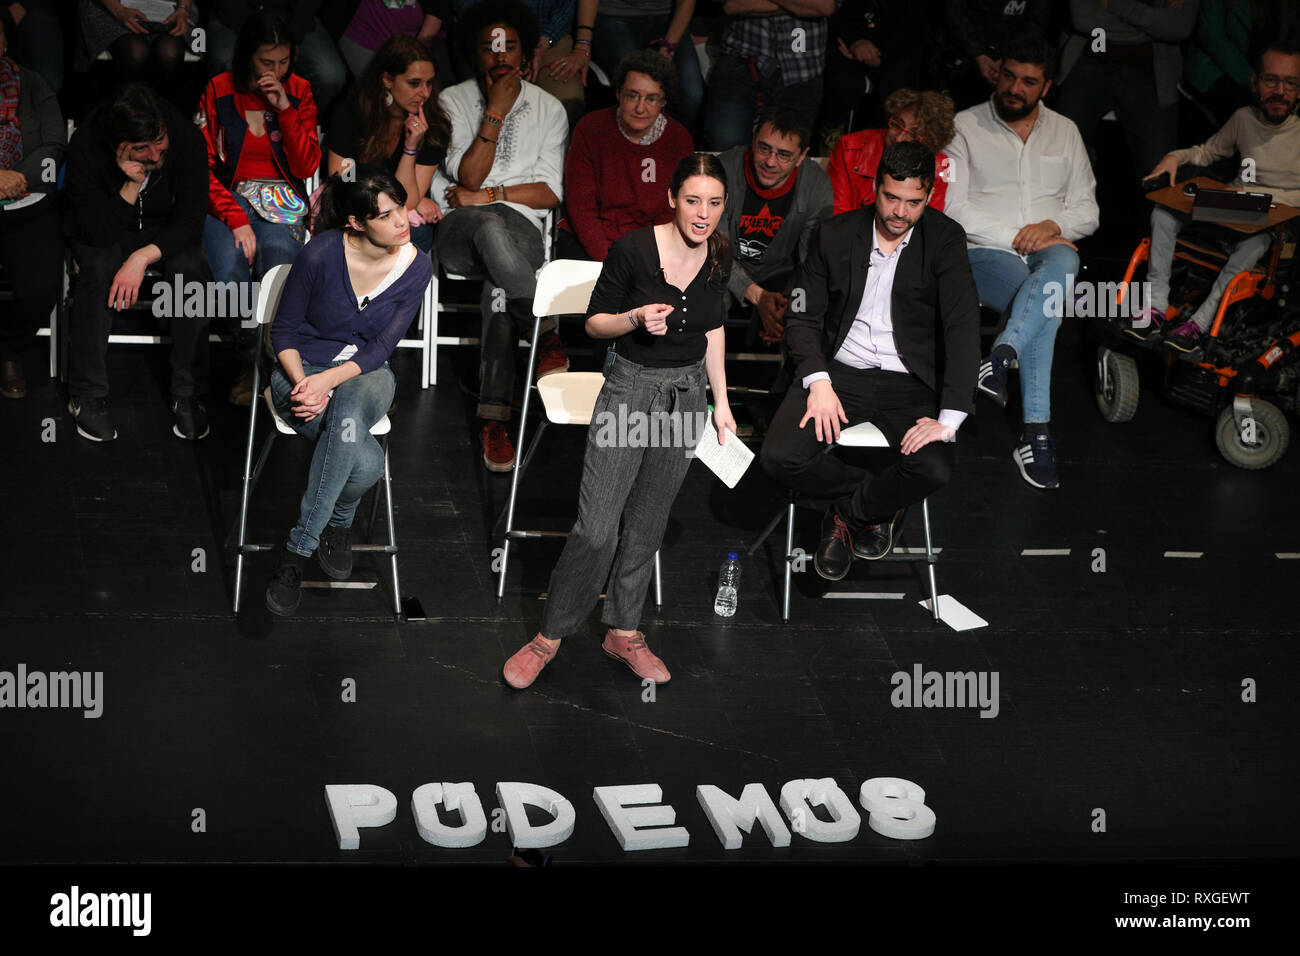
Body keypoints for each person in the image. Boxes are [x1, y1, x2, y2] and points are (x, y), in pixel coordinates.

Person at [502, 153, 736, 690]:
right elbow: (593, 325)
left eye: (715, 203)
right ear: (672, 198)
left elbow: (714, 330)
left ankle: (623, 630)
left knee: (648, 525)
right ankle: (550, 635)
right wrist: (634, 317)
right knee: (595, 527)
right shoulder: (633, 249)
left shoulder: (719, 253)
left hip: (685, 398)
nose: (704, 214)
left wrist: (720, 403)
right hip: (630, 392)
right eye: (694, 200)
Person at [759, 141, 979, 582]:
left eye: (913, 202)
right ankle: (881, 498)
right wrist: (818, 381)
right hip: (839, 374)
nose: (900, 212)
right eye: (891, 197)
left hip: (910, 381)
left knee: (934, 466)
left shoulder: (944, 238)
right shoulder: (834, 234)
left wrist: (950, 418)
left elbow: (962, 326)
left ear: (929, 197)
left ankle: (847, 515)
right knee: (779, 458)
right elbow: (802, 316)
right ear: (874, 188)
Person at [264, 167, 434, 616]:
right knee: (367, 460)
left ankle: (297, 553)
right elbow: (282, 333)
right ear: (356, 223)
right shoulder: (320, 254)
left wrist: (328, 382)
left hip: (364, 372)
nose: (402, 221)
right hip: (299, 370)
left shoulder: (416, 265)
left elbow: (381, 348)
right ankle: (339, 523)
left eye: (401, 208)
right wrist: (306, 381)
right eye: (386, 215)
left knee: (349, 409)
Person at [943, 34, 1097, 490]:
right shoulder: (965, 125)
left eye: (1028, 82)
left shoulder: (1066, 131)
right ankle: (1035, 432)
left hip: (1048, 250)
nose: (1015, 88)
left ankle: (1001, 355)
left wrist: (1050, 226)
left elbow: (1088, 210)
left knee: (1061, 264)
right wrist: (1015, 236)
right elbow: (953, 206)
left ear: (1046, 86)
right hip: (985, 250)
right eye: (1009, 76)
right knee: (1048, 301)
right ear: (997, 74)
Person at [432, 0, 568, 473]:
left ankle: (494, 419)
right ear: (475, 55)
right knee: (489, 225)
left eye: (509, 45)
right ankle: (546, 329)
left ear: (526, 52)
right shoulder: (449, 101)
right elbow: (466, 178)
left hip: (520, 232)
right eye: (490, 47)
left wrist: (492, 193)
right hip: (458, 231)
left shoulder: (551, 108)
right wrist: (496, 109)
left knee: (499, 289)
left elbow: (550, 191)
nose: (500, 54)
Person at [63, 81, 210, 442]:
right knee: (97, 269)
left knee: (191, 271)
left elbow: (191, 220)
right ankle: (88, 394)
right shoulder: (87, 144)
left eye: (159, 142)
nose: (157, 156)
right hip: (111, 226)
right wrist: (129, 187)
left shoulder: (185, 137)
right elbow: (94, 230)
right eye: (144, 150)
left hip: (165, 230)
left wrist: (141, 258)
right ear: (121, 146)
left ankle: (187, 393)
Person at [1135, 42, 1300, 355]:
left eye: (1290, 83)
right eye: (1271, 81)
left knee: (1255, 244)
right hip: (1234, 207)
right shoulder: (1243, 118)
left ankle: (1198, 325)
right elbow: (1207, 152)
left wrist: (1270, 199)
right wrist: (1174, 157)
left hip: (1275, 225)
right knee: (1164, 213)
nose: (1280, 91)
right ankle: (1154, 308)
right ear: (1255, 83)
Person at [197, 10, 321, 407]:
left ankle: (267, 372)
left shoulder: (299, 90)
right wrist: (235, 219)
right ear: (248, 55)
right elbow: (200, 167)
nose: (276, 69)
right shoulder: (218, 88)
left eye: (283, 61)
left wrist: (284, 108)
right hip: (227, 198)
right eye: (267, 62)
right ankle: (251, 360)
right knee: (231, 282)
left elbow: (306, 167)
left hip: (282, 198)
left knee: (280, 271)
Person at [557, 49, 693, 261]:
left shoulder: (679, 140)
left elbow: (672, 211)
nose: (640, 108)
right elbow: (581, 208)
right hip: (590, 243)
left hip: (649, 249)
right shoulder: (590, 129)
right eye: (633, 96)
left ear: (663, 102)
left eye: (652, 99)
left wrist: (644, 260)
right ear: (619, 93)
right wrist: (610, 262)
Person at [717, 105, 832, 348]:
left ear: (802, 156)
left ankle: (797, 382)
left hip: (781, 274)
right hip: (722, 268)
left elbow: (810, 262)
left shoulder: (816, 185)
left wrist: (786, 308)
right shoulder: (723, 170)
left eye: (784, 155)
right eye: (764, 148)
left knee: (802, 315)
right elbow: (715, 250)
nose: (770, 162)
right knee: (707, 305)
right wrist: (756, 295)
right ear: (753, 141)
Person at [327, 34, 451, 255]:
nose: (424, 93)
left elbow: (409, 201)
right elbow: (342, 179)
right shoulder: (354, 112)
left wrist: (410, 148)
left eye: (429, 82)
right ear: (387, 80)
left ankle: (388, 290)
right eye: (414, 83)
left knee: (415, 234)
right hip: (352, 206)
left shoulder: (434, 127)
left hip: (395, 212)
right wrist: (380, 213)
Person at [1054, 0, 1199, 178]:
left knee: (1158, 171)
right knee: (1058, 158)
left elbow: (1177, 27)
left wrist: (1112, 4)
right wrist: (1149, 26)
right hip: (1090, 59)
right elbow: (1084, 18)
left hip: (1152, 71)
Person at [0, 6, 64, 400]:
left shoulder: (32, 83)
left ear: (6, 40)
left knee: (43, 287)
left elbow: (55, 142)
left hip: (27, 204)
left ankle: (8, 350)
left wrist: (15, 177)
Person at [703, 0, 835, 151]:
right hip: (743, 60)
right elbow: (733, 4)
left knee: (787, 150)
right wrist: (803, 6)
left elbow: (824, 6)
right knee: (726, 144)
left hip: (802, 67)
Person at [583, 0, 705, 137]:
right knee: (638, 85)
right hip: (613, 14)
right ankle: (635, 145)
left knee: (691, 93)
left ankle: (672, 144)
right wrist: (582, 43)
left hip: (668, 17)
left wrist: (668, 46)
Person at [206, 1, 349, 115]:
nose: (276, 71)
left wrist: (294, 36)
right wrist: (255, 39)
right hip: (236, 18)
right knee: (226, 61)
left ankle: (305, 125)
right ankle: (232, 126)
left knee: (330, 73)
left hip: (292, 17)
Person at [828, 88, 955, 216]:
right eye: (898, 124)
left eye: (913, 134)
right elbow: (839, 217)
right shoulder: (849, 148)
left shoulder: (941, 165)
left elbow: (930, 222)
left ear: (931, 140)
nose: (899, 138)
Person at [75, 0, 194, 91]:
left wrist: (183, 8)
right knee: (135, 51)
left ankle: (162, 111)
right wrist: (118, 10)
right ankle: (127, 109)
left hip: (171, 7)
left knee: (169, 51)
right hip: (111, 6)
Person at [338, 0, 448, 81]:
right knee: (380, 94)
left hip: (411, 44)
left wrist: (414, 59)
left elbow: (437, 12)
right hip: (365, 35)